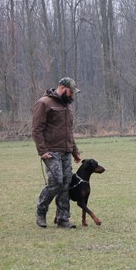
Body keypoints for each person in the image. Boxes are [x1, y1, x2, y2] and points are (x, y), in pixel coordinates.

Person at [32, 77, 82, 228]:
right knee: (56, 182)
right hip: (51, 151)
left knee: (66, 184)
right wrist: (42, 151)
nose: (72, 95)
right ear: (63, 88)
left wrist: (75, 151)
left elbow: (69, 132)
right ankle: (41, 211)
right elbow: (37, 129)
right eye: (71, 92)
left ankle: (63, 219)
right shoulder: (44, 103)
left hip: (66, 151)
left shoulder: (67, 106)